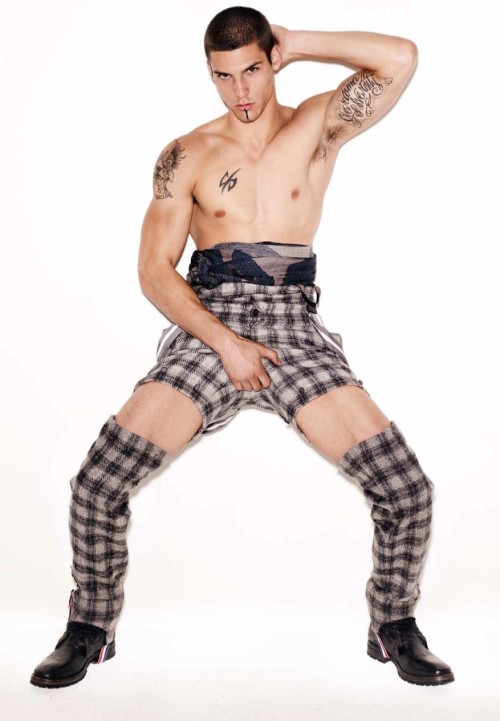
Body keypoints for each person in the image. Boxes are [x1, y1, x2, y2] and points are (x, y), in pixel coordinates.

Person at [30, 6, 454, 689]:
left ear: (271, 58)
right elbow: (154, 271)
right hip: (210, 321)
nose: (241, 91)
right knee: (99, 483)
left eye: (252, 69)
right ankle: (90, 627)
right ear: (209, 73)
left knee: (406, 489)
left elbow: (400, 57)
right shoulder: (187, 154)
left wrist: (301, 42)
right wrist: (225, 343)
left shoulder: (317, 126)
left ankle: (394, 624)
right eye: (223, 76)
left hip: (293, 325)